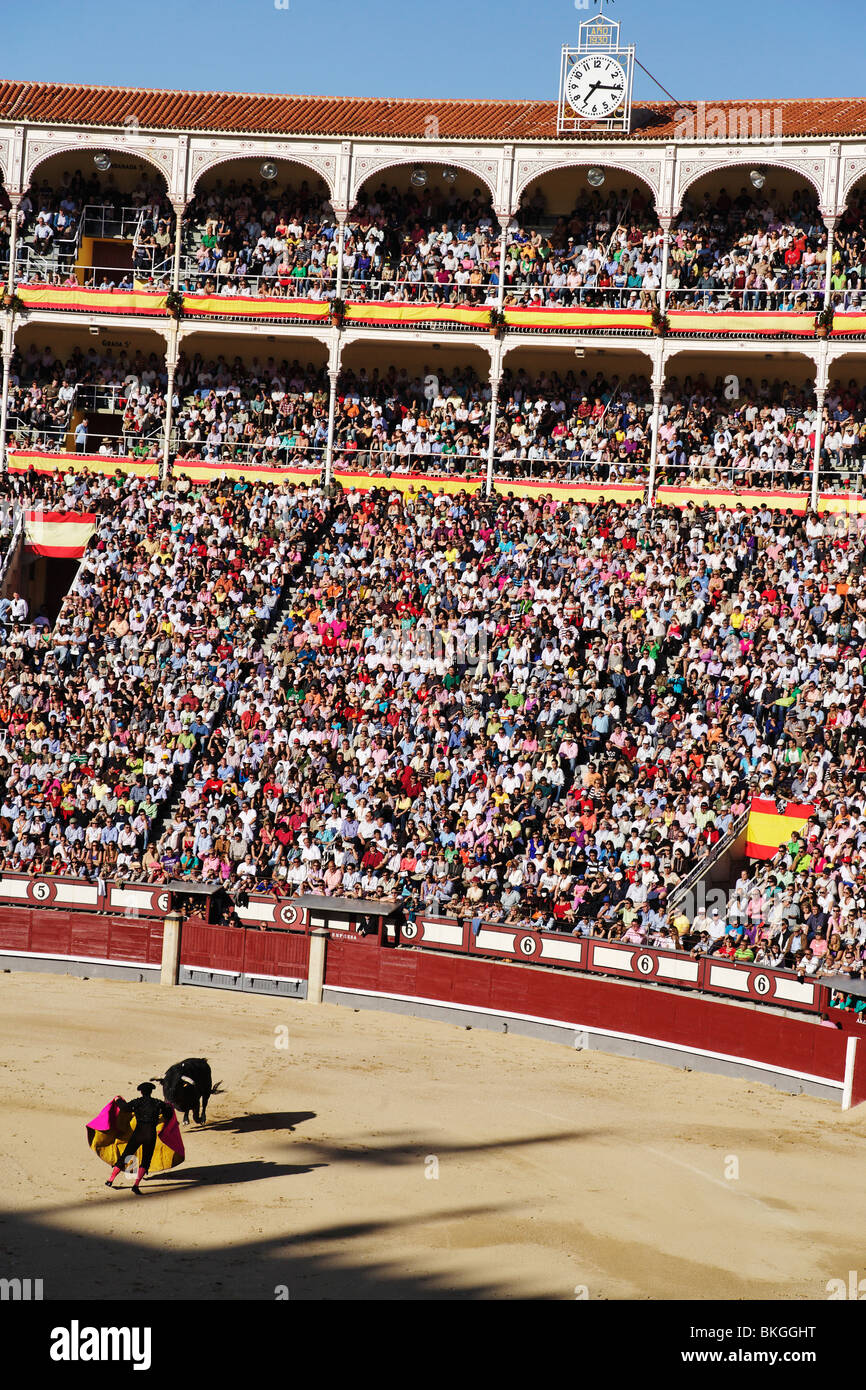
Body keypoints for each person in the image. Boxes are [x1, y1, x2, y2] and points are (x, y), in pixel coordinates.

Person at [104, 1082, 174, 1194]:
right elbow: (168, 1115)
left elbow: (124, 1107)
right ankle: (135, 1185)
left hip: (138, 1134)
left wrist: (117, 1099)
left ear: (141, 1092)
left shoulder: (137, 1102)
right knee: (146, 1161)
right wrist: (168, 1106)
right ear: (151, 1092)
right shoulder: (158, 1103)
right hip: (150, 1135)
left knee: (126, 1155)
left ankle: (110, 1180)